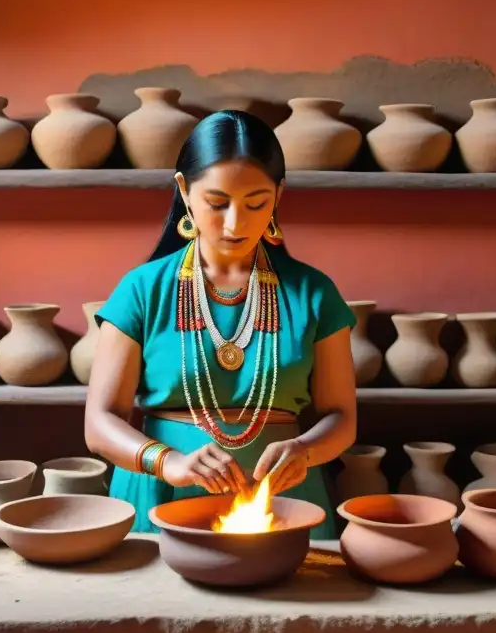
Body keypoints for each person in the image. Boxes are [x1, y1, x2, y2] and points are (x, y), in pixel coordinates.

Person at [83, 109, 357, 539]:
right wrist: (167, 461)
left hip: (282, 500)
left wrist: (305, 450)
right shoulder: (142, 289)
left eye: (256, 203)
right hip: (160, 494)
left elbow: (342, 419)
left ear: (279, 196)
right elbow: (99, 424)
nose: (235, 223)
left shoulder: (314, 292)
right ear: (184, 190)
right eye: (216, 203)